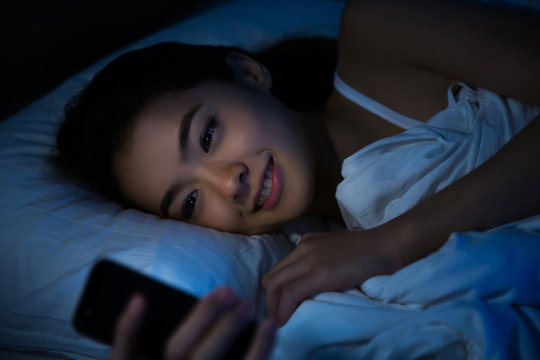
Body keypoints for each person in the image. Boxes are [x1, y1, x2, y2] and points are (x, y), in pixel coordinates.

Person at [52, 0, 540, 357]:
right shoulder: (320, 287)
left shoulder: (380, 33)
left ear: (248, 72)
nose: (229, 184)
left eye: (207, 137)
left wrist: (396, 241)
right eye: (189, 203)